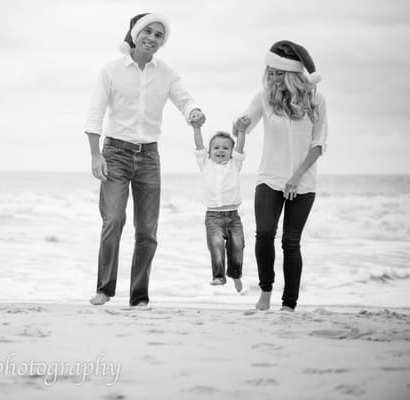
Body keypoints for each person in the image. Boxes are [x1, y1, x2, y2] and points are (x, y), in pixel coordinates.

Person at [84, 13, 206, 306]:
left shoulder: (166, 73)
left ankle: (139, 296)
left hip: (149, 156)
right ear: (135, 33)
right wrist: (95, 155)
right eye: (148, 32)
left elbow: (184, 99)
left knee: (147, 231)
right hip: (114, 153)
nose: (152, 38)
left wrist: (194, 113)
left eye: (159, 35)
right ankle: (104, 289)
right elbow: (95, 114)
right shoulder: (111, 70)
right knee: (113, 220)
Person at [235, 40, 328, 312]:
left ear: (293, 73)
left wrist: (297, 177)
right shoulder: (264, 96)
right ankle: (265, 292)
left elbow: (319, 145)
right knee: (264, 234)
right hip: (269, 178)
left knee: (291, 242)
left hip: (303, 183)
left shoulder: (315, 100)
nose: (273, 78)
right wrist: (238, 126)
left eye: (279, 73)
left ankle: (289, 305)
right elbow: (244, 126)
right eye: (270, 72)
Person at [192, 118, 250, 293]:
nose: (221, 150)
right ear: (209, 151)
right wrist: (196, 128)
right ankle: (218, 276)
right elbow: (199, 145)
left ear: (231, 152)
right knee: (216, 245)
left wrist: (242, 131)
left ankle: (236, 274)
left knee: (238, 246)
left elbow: (240, 147)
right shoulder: (205, 163)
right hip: (213, 217)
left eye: (225, 148)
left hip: (233, 216)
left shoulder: (234, 164)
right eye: (216, 148)